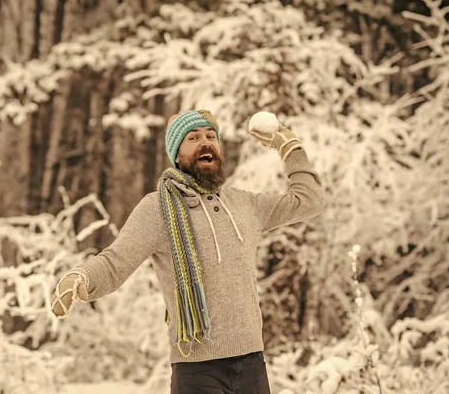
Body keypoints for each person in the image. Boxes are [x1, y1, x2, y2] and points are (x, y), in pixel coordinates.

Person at [51, 110, 324, 393]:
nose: (205, 142)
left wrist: (289, 146)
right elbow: (116, 261)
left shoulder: (245, 205)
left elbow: (309, 201)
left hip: (252, 361)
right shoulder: (158, 208)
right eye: (193, 138)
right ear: (177, 155)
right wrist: (82, 278)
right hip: (196, 369)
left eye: (210, 137)